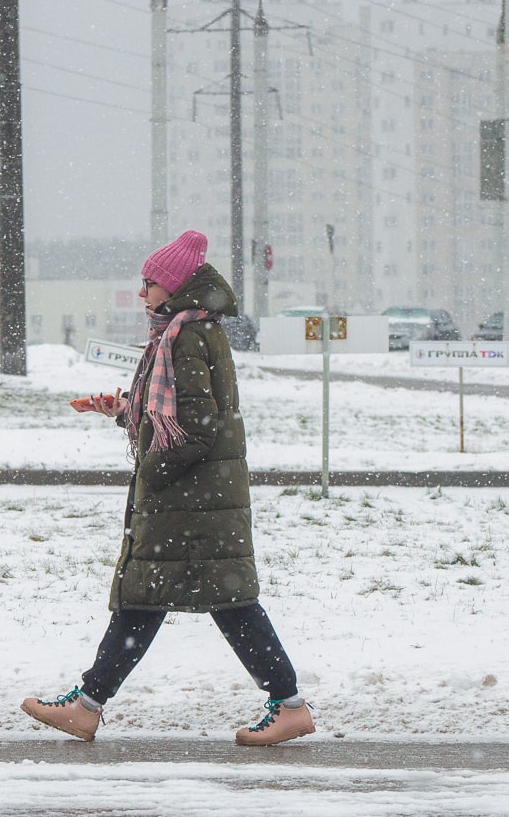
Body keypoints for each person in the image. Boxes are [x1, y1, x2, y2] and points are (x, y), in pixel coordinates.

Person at [21, 230, 313, 746]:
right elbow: (181, 420)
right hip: (199, 499)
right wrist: (124, 416)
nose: (142, 294)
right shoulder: (188, 331)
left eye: (149, 283)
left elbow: (197, 429)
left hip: (192, 501)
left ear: (174, 286)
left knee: (201, 602)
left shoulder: (185, 337)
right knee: (172, 600)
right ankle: (89, 705)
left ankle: (287, 705)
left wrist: (152, 471)